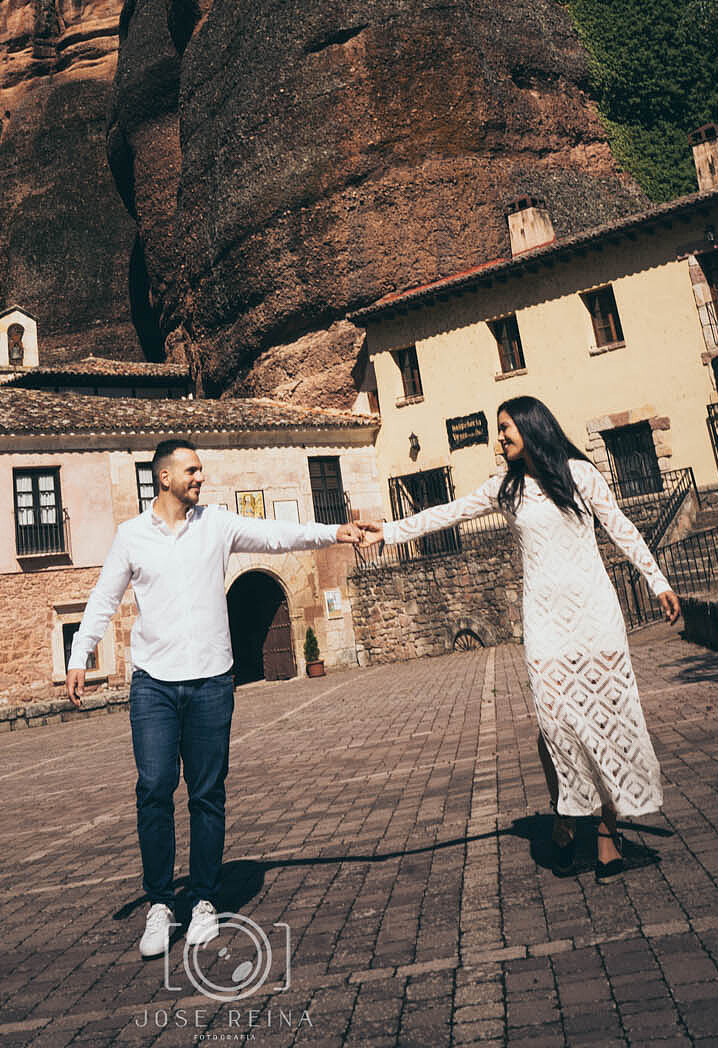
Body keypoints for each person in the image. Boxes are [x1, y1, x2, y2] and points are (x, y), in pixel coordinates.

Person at [66, 438, 363, 958]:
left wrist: (333, 531)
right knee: (154, 787)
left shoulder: (218, 524)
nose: (200, 477)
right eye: (191, 470)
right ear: (163, 477)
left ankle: (202, 898)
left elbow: (276, 535)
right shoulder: (132, 536)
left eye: (200, 470)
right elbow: (103, 597)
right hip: (154, 684)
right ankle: (160, 903)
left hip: (210, 681)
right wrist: (79, 655)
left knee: (207, 793)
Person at [363, 395, 680, 879]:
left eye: (506, 429)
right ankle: (567, 814)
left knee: (606, 716)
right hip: (546, 621)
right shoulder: (505, 489)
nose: (499, 439)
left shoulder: (581, 475)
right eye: (498, 430)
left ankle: (606, 832)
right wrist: (386, 532)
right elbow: (447, 514)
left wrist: (657, 580)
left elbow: (621, 527)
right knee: (555, 723)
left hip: (595, 615)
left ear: (532, 428)